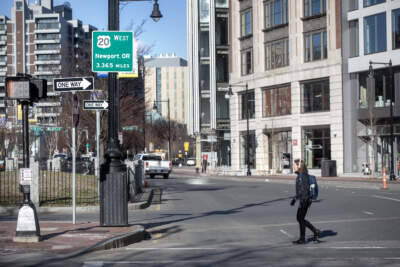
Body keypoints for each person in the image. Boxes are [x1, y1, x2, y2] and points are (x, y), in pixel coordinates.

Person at [290, 159, 320, 244]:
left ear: (299, 166)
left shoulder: (303, 176)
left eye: (295, 165)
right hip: (304, 200)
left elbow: (305, 190)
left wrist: (303, 201)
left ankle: (314, 231)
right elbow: (300, 191)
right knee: (300, 218)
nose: (293, 166)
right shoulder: (300, 175)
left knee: (300, 218)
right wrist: (295, 199)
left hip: (305, 200)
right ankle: (304, 237)